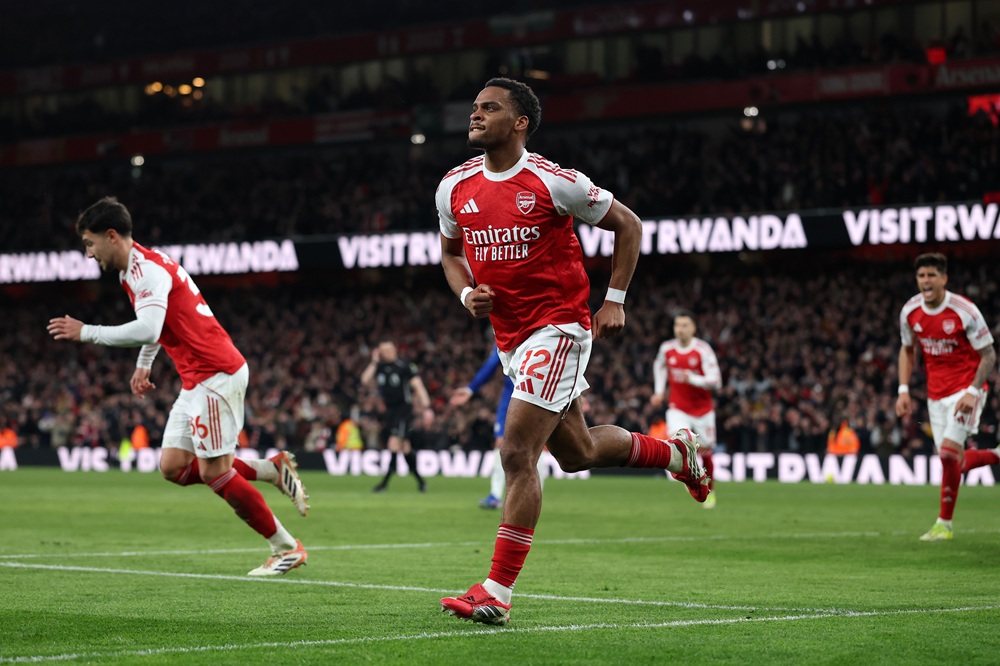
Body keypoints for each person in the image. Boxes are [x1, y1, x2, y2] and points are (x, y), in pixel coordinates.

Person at [437, 77, 709, 626]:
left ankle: (497, 591)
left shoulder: (552, 182)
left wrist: (614, 300)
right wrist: (467, 292)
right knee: (578, 453)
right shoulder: (452, 187)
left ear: (520, 123)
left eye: (489, 109)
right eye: (474, 108)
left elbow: (628, 224)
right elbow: (448, 253)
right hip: (510, 338)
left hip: (559, 327)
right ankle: (679, 455)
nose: (476, 115)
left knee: (516, 453)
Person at [47, 196, 310, 576]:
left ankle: (286, 547)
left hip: (216, 372)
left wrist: (87, 332)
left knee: (214, 473)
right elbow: (158, 323)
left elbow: (149, 327)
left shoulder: (147, 272)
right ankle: (271, 470)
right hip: (195, 377)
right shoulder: (132, 271)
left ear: (111, 236)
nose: (88, 253)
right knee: (173, 466)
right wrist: (144, 363)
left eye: (89, 243)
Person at [895, 252, 997, 542]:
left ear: (943, 278)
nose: (925, 281)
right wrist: (903, 390)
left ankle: (944, 525)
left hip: (967, 390)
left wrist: (973, 391)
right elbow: (907, 349)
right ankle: (997, 455)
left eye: (931, 275)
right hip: (935, 395)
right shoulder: (910, 311)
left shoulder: (964, 310)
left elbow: (988, 354)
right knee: (953, 461)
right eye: (921, 276)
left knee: (949, 452)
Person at [450, 341, 548, 510]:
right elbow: (491, 365)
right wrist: (470, 389)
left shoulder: (540, 337)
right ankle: (495, 495)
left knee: (537, 445)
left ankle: (535, 495)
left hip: (536, 397)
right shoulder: (508, 337)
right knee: (500, 443)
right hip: (509, 400)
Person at [650, 310, 722, 508]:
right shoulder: (667, 349)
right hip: (677, 407)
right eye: (677, 325)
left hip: (703, 409)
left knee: (706, 452)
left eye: (684, 325)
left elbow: (716, 381)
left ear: (693, 328)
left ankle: (710, 491)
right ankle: (688, 477)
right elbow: (659, 366)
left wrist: (693, 378)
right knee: (678, 441)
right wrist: (658, 391)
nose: (679, 330)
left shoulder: (702, 350)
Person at [361, 339, 432, 493]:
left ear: (395, 350)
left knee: (393, 444)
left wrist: (427, 408)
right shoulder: (379, 367)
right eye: (383, 350)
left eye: (389, 349)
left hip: (403, 411)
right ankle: (421, 482)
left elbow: (418, 386)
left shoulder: (404, 366)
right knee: (405, 448)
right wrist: (373, 362)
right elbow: (364, 380)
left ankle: (384, 484)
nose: (387, 353)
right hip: (390, 412)